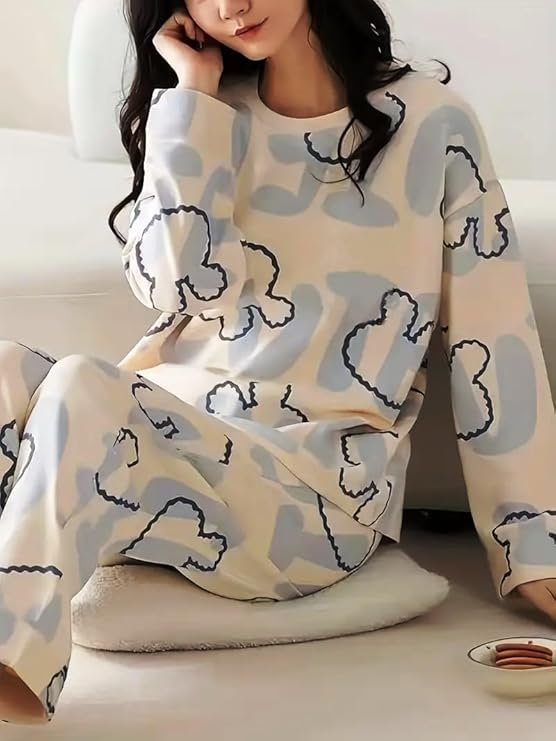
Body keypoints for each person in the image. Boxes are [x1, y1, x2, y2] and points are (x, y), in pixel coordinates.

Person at [1, 0, 555, 726]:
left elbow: (495, 339)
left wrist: (533, 546)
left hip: (316, 493)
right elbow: (179, 285)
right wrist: (193, 94)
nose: (230, 6)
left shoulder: (431, 124)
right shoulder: (207, 114)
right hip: (182, 445)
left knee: (79, 386)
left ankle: (11, 665)